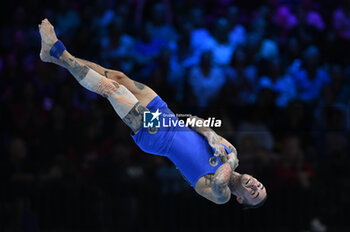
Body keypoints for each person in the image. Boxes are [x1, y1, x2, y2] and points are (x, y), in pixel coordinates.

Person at [38, 18, 267, 207]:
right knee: (117, 77)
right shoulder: (230, 149)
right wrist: (211, 136)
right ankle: (51, 57)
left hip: (156, 135)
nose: (255, 186)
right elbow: (196, 121)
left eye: (254, 194)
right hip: (165, 116)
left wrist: (232, 160)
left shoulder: (223, 195)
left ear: (241, 199)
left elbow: (219, 180)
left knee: (112, 90)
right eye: (260, 185)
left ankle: (58, 50)